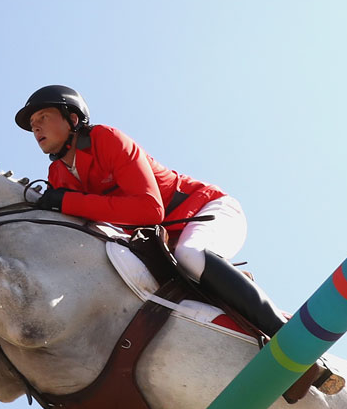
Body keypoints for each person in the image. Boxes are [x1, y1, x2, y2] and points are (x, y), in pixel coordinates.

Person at [15, 84, 286, 339]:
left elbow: (150, 210)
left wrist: (67, 202)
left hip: (206, 209)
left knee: (189, 254)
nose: (35, 126)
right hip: (164, 242)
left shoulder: (105, 139)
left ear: (73, 119)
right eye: (32, 124)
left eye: (43, 116)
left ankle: (280, 329)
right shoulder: (57, 175)